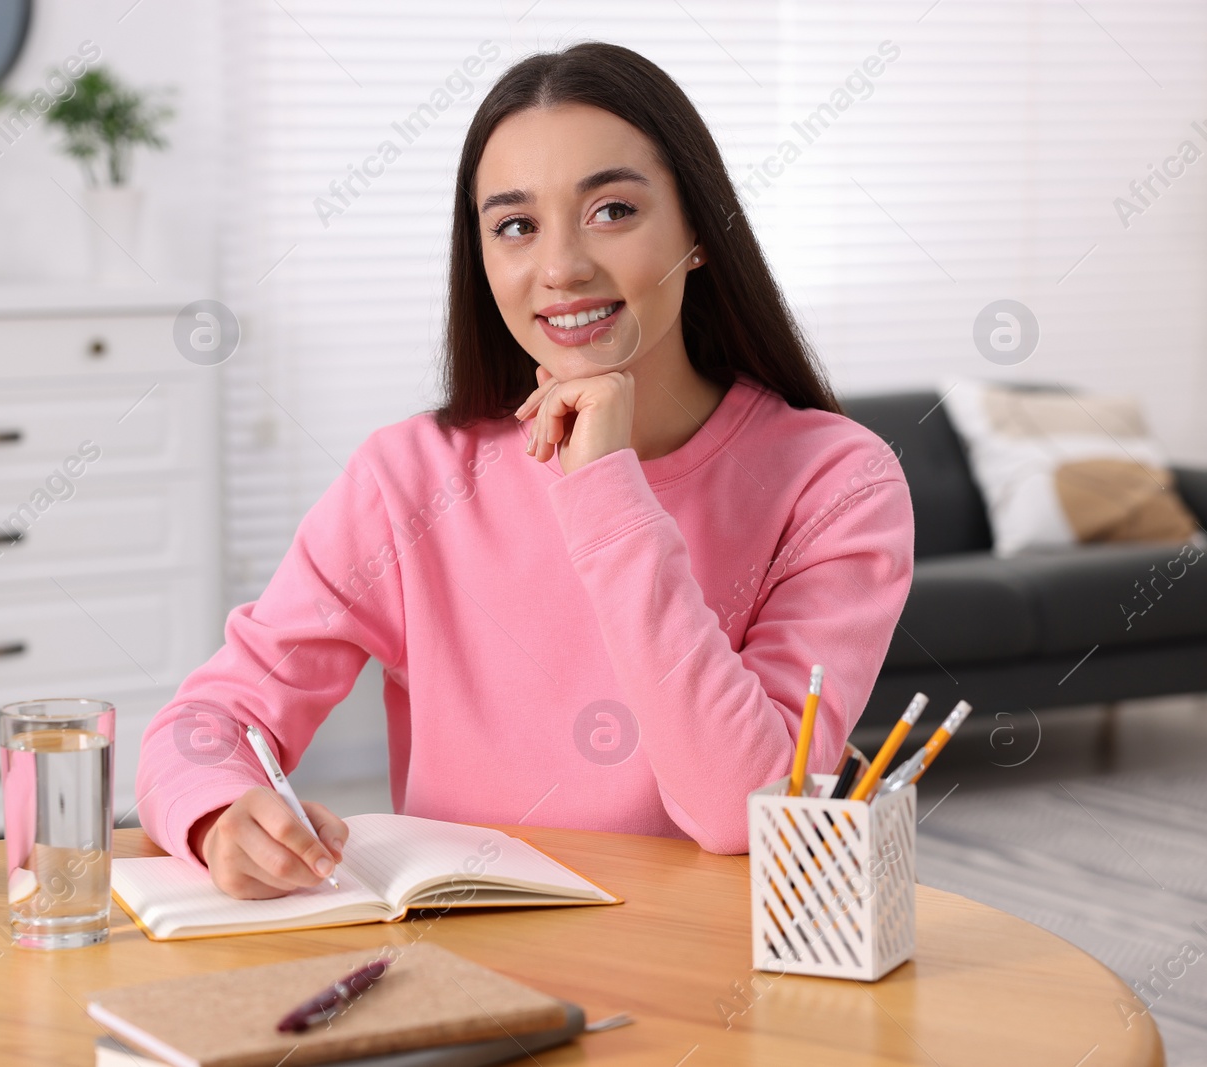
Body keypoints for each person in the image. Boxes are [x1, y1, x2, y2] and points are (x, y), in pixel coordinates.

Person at [136, 41, 914, 899]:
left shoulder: (836, 482)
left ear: (699, 231)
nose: (561, 267)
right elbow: (209, 722)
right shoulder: (410, 477)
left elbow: (748, 807)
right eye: (515, 225)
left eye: (612, 210)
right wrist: (219, 815)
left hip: (710, 983)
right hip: (470, 974)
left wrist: (606, 489)